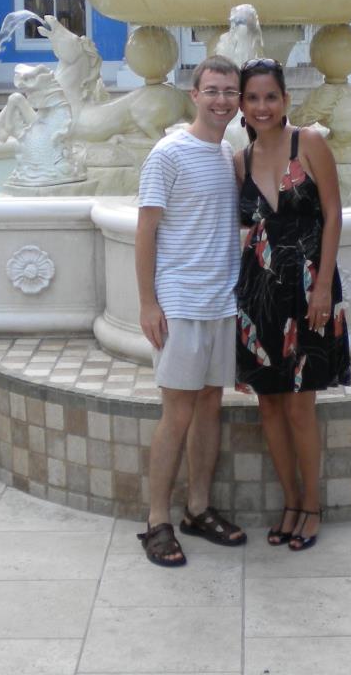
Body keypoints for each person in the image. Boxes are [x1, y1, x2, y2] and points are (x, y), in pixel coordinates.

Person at [135, 55, 248, 567]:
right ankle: (156, 520)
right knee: (177, 412)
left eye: (230, 91)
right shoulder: (168, 154)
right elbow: (145, 231)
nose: (222, 100)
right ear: (194, 95)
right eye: (213, 90)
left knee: (209, 406)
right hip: (181, 304)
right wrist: (148, 302)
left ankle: (198, 508)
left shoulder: (227, 154)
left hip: (222, 302)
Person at [234, 57, 349, 551]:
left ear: (285, 100)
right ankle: (289, 502)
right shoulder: (239, 161)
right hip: (258, 296)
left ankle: (312, 506)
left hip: (309, 292)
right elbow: (240, 229)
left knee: (301, 408)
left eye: (270, 97)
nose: (262, 106)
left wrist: (322, 287)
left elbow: (333, 214)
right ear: (242, 105)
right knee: (270, 408)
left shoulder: (311, 144)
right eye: (252, 98)